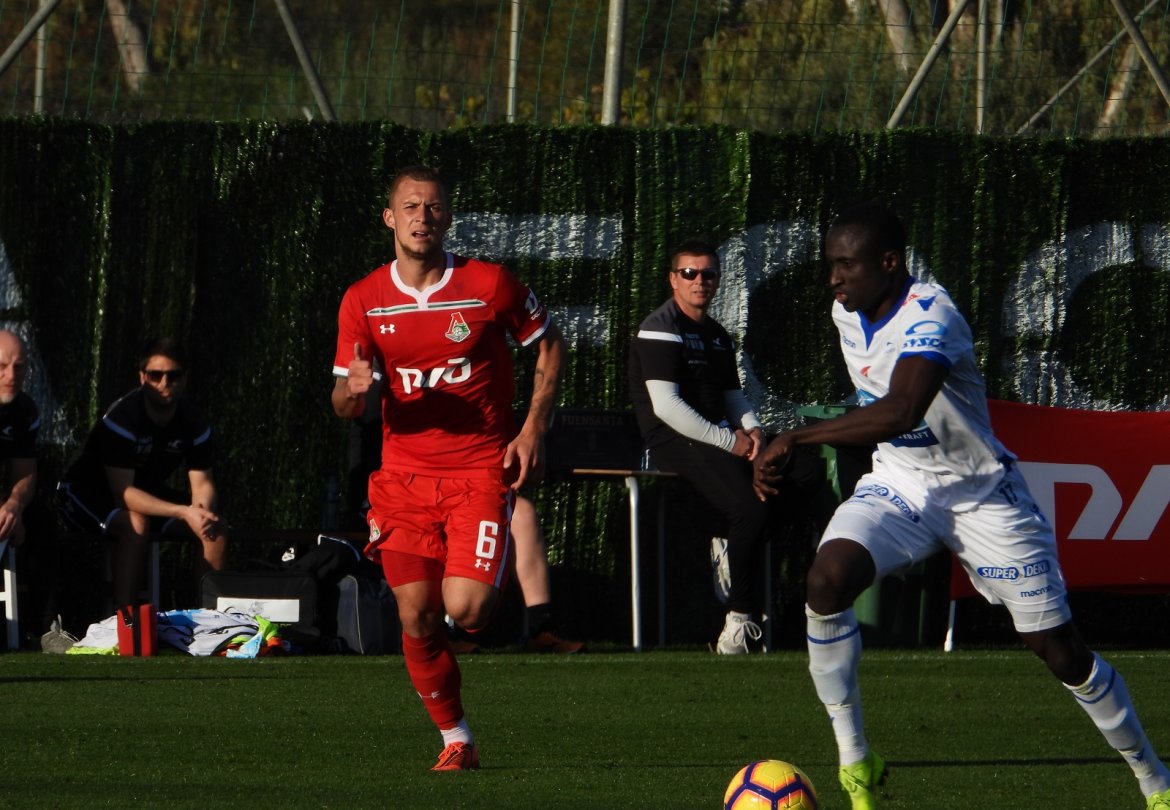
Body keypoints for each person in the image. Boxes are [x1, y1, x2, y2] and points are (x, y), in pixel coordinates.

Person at [752, 201, 1170, 810]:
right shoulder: (845, 311)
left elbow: (901, 410)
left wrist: (797, 436)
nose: (834, 278)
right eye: (830, 265)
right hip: (903, 484)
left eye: (847, 265)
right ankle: (856, 761)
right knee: (827, 579)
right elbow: (887, 420)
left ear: (888, 263)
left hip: (982, 498)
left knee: (1061, 653)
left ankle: (1155, 780)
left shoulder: (933, 314)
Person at [331, 165, 566, 771]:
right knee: (415, 614)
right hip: (402, 480)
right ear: (390, 217)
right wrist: (353, 391)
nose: (422, 218)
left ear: (449, 217)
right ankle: (455, 738)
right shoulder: (363, 299)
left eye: (433, 207)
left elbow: (549, 343)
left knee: (468, 610)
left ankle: (487, 588)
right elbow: (344, 404)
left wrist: (532, 429)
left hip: (479, 473)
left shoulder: (489, 284)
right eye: (411, 207)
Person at [628, 238, 817, 654]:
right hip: (672, 438)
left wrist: (755, 432)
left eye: (708, 274)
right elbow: (667, 407)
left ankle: (734, 546)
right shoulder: (660, 327)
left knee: (805, 472)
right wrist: (730, 441)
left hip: (720, 434)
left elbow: (733, 396)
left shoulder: (716, 334)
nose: (699, 281)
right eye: (689, 273)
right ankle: (739, 621)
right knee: (750, 508)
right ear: (673, 279)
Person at [56, 337, 228, 611]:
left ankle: (211, 621)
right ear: (142, 377)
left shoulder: (194, 421)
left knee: (214, 528)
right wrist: (183, 512)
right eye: (155, 375)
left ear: (185, 378)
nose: (164, 383)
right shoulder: (123, 418)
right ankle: (125, 622)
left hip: (143, 491)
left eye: (173, 376)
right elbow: (123, 494)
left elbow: (203, 483)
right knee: (135, 523)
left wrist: (201, 513)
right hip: (84, 492)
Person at [0, 329, 38, 552]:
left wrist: (15, 505)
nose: (11, 376)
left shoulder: (25, 411)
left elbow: (25, 474)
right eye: (2, 367)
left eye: (19, 366)